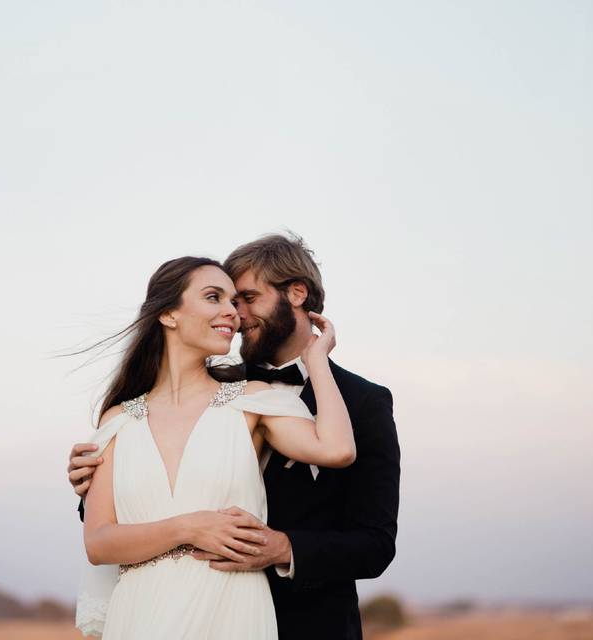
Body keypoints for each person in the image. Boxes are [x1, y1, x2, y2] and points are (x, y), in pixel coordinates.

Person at [71, 233, 401, 640]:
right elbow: (117, 521)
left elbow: (375, 542)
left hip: (294, 621)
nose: (236, 314)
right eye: (223, 299)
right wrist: (89, 482)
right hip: (147, 610)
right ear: (169, 314)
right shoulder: (149, 409)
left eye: (245, 298)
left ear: (297, 293)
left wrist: (282, 548)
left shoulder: (354, 402)